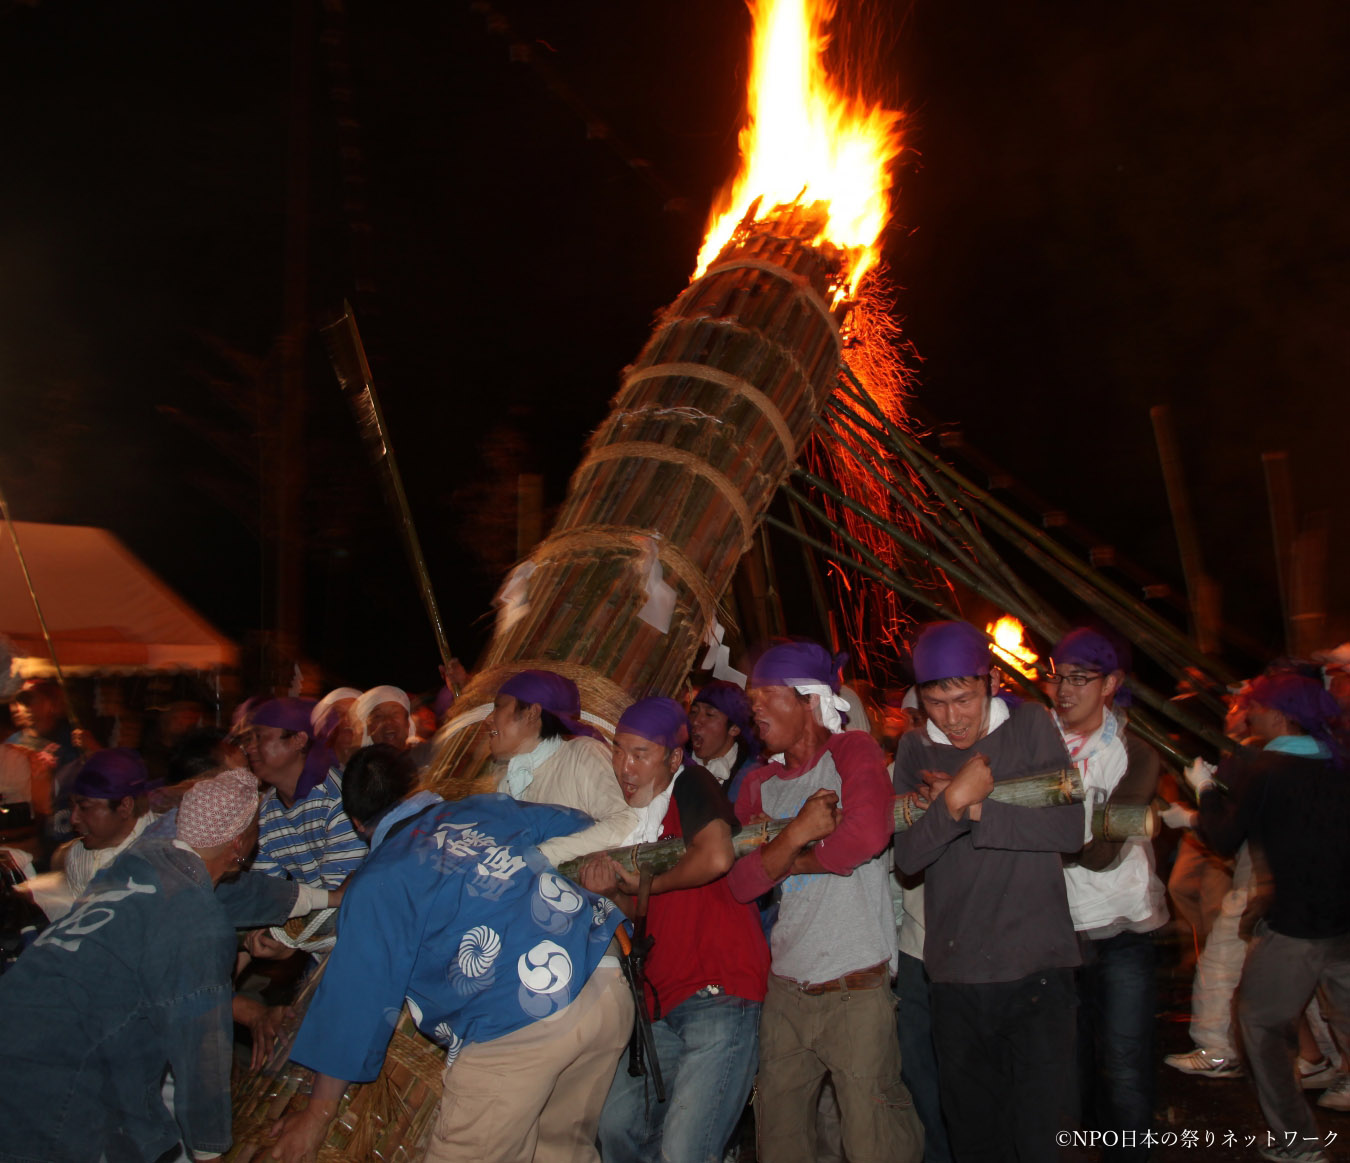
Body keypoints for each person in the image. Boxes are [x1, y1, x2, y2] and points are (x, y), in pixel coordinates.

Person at [265, 754, 631, 1163]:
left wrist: (317, 1115)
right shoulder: (488, 807)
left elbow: (355, 1002)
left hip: (519, 1023)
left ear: (356, 825)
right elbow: (583, 825)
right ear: (413, 787)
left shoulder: (379, 882)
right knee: (560, 1154)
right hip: (603, 986)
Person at [893, 620, 1084, 1163]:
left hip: (1038, 966)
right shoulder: (913, 748)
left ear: (992, 682)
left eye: (963, 699)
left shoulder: (1030, 727)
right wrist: (951, 804)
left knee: (1044, 1136)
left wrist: (974, 807)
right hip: (955, 975)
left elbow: (1069, 830)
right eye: (935, 702)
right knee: (976, 1135)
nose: (951, 718)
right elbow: (908, 858)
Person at [725, 640, 922, 1163]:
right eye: (753, 698)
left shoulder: (851, 751)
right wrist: (798, 835)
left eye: (769, 695)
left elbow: (866, 837)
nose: (756, 708)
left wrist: (781, 857)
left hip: (856, 986)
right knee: (781, 1141)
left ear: (810, 700)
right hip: (786, 989)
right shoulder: (759, 785)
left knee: (873, 1138)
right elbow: (741, 884)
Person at [0, 769, 261, 1162]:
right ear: (240, 841)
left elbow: (249, 895)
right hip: (54, 1081)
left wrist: (320, 899)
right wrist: (210, 1151)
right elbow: (200, 1055)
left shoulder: (140, 863)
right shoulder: (197, 920)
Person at [581, 697, 769, 1163]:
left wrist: (650, 882)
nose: (625, 766)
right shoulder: (630, 822)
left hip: (718, 991)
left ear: (673, 758)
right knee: (617, 1128)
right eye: (619, 750)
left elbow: (717, 856)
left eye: (640, 753)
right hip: (660, 1003)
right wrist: (610, 892)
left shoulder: (691, 784)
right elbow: (638, 908)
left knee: (687, 1150)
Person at [1191, 673, 1350, 1162]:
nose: (1248, 714)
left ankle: (1298, 1143)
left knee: (1259, 1024)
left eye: (1254, 706)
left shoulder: (1267, 767)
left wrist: (1203, 792)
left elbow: (1223, 836)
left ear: (1280, 715)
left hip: (1298, 923)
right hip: (1345, 919)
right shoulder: (1339, 760)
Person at [1047, 628, 1168, 1160]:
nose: (1064, 689)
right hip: (1055, 931)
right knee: (1067, 1073)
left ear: (1110, 684)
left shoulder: (1134, 753)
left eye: (1079, 678)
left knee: (1122, 1064)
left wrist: (1031, 834)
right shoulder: (1036, 743)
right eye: (1058, 677)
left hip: (1121, 929)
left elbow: (1103, 849)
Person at [486, 669, 638, 864]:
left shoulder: (581, 756)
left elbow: (626, 822)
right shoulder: (508, 783)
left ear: (532, 713)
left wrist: (541, 856)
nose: (489, 718)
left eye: (498, 707)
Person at [244, 696, 365, 889]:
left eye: (259, 737)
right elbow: (265, 891)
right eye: (249, 739)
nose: (249, 747)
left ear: (298, 740)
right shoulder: (267, 811)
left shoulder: (339, 799)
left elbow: (341, 894)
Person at [22, 748, 157, 921]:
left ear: (125, 806)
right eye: (72, 807)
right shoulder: (78, 858)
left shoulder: (167, 851)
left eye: (85, 807)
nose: (73, 819)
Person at [688, 679, 760, 800]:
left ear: (734, 728)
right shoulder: (676, 761)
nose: (695, 721)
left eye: (709, 714)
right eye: (694, 712)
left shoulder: (751, 777)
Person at [352, 684, 414, 750]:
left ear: (407, 723)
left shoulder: (421, 756)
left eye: (395, 713)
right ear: (368, 728)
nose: (388, 721)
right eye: (378, 716)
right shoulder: (361, 759)